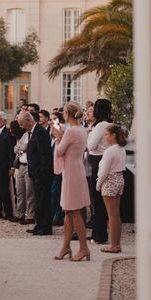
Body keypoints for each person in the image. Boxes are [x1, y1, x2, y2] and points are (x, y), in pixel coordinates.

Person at [51, 102, 90, 261]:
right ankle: (66, 247)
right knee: (68, 210)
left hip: (72, 172)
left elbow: (59, 151)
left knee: (74, 211)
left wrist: (57, 137)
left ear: (68, 114)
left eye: (64, 112)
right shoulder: (82, 129)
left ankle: (84, 248)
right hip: (75, 169)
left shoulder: (71, 132)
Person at [19, 110, 54, 236]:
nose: (21, 127)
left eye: (22, 124)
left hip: (42, 174)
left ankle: (46, 227)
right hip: (35, 173)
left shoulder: (40, 133)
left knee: (44, 200)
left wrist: (40, 172)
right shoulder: (32, 132)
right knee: (38, 200)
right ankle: (39, 224)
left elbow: (45, 156)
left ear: (28, 121)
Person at [96, 124, 128, 254]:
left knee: (112, 214)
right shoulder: (121, 149)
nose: (105, 137)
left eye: (106, 134)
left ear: (113, 135)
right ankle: (116, 243)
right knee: (116, 214)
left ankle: (114, 245)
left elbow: (103, 171)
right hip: (119, 178)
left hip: (110, 180)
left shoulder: (110, 151)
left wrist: (98, 184)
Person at [86, 98, 113, 244]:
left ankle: (99, 234)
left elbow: (90, 145)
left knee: (97, 199)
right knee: (99, 200)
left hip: (98, 160)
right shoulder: (108, 124)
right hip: (101, 159)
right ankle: (98, 232)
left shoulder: (101, 125)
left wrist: (88, 135)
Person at [13, 116, 35, 224]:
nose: (21, 126)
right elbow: (16, 148)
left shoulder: (32, 134)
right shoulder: (25, 134)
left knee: (29, 191)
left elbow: (26, 147)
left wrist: (21, 147)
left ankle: (30, 214)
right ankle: (19, 213)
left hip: (28, 165)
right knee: (20, 191)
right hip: (21, 164)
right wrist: (20, 147)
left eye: (22, 123)